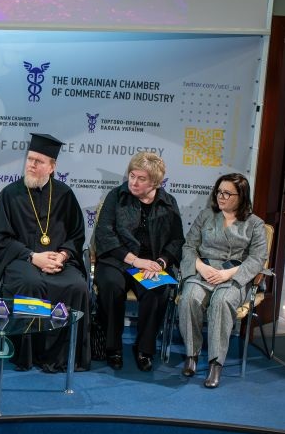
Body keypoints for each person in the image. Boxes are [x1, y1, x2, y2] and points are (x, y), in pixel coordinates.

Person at [0, 133, 90, 372]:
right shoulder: (10, 194)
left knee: (76, 286)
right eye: (30, 159)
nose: (31, 165)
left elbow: (76, 235)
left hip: (58, 260)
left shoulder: (65, 195)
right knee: (30, 283)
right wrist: (33, 257)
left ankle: (61, 357)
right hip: (21, 259)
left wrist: (63, 255)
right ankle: (27, 355)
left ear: (52, 167)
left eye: (38, 161)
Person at [94, 152, 184, 372]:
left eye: (141, 178)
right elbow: (105, 234)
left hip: (151, 263)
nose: (133, 182)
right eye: (132, 176)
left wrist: (160, 263)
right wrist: (135, 260)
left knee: (158, 290)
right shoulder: (116, 196)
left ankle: (144, 349)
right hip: (117, 259)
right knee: (111, 286)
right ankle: (112, 348)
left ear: (155, 182)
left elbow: (176, 240)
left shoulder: (168, 203)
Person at [177, 173, 268, 388]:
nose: (221, 196)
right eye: (219, 191)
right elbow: (189, 246)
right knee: (189, 298)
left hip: (234, 275)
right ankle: (192, 354)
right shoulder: (206, 215)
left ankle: (215, 364)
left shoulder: (255, 223)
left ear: (241, 196)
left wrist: (228, 274)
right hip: (205, 270)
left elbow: (257, 258)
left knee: (221, 301)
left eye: (227, 193)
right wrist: (201, 267)